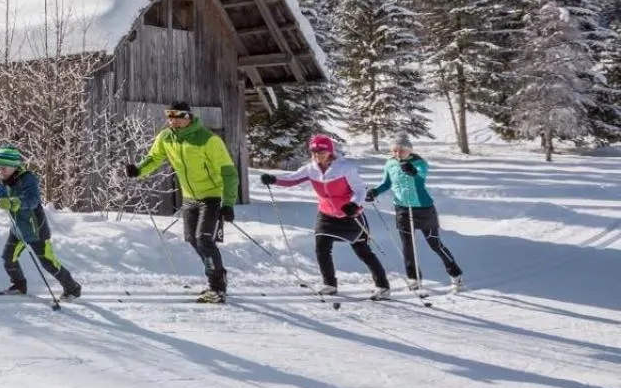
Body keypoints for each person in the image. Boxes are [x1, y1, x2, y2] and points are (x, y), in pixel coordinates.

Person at [123, 101, 238, 304]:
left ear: (189, 117)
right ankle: (217, 275)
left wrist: (228, 203)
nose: (173, 121)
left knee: (204, 240)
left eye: (179, 116)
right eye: (170, 116)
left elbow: (229, 172)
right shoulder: (166, 137)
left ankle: (217, 287)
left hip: (210, 197)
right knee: (193, 240)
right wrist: (139, 170)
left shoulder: (208, 139)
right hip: (189, 198)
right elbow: (154, 158)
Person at [261, 133, 392, 299]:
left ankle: (383, 286)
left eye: (321, 152)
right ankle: (329, 284)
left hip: (349, 214)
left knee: (363, 252)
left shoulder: (345, 168)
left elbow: (360, 190)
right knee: (321, 247)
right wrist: (273, 179)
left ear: (330, 152)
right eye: (314, 152)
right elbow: (291, 179)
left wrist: (353, 205)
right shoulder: (311, 169)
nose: (317, 156)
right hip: (327, 214)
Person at [0, 145, 82, 300]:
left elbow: (33, 200)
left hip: (36, 229)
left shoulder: (27, 179)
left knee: (48, 262)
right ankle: (19, 285)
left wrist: (14, 202)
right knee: (8, 257)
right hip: (18, 229)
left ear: (14, 166)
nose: (0, 171)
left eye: (3, 167)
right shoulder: (5, 182)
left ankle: (72, 288)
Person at [365, 134, 464, 292]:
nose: (398, 153)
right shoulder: (390, 163)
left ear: (409, 150)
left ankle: (455, 273)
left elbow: (421, 175)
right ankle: (414, 278)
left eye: (401, 150)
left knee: (435, 244)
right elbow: (386, 183)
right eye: (394, 150)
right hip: (402, 208)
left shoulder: (419, 163)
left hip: (423, 209)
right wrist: (375, 191)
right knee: (407, 246)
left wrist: (413, 171)